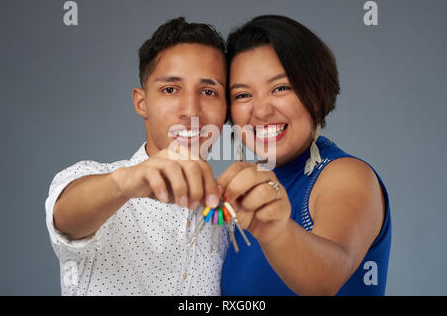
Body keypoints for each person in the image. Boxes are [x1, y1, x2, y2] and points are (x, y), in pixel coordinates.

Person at [45, 17, 230, 295]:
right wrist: (125, 183)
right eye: (170, 89)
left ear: (227, 109)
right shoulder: (94, 181)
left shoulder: (229, 220)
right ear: (142, 103)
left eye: (208, 91)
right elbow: (65, 218)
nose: (191, 111)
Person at [219, 15, 391, 295]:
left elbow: (325, 277)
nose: (261, 111)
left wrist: (274, 230)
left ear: (315, 90)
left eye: (281, 88)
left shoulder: (345, 175)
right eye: (242, 95)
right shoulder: (249, 191)